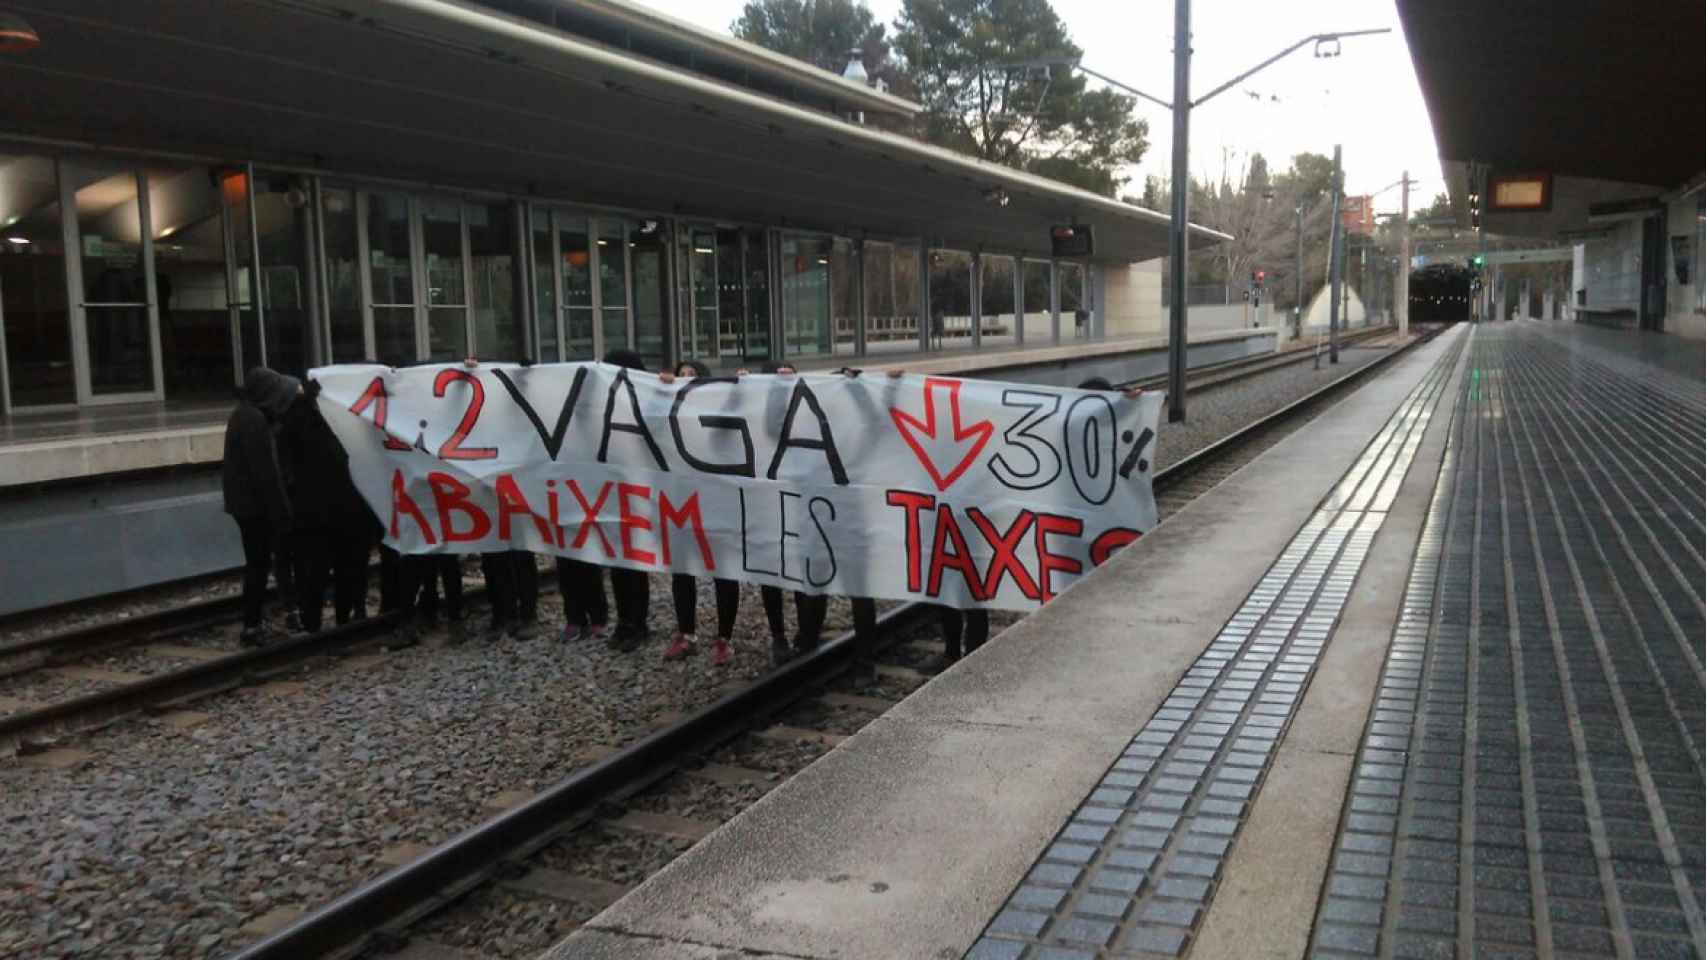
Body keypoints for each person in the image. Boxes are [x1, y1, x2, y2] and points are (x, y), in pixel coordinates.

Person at [656, 360, 740, 667]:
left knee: (724, 571)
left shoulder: (717, 414)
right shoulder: (666, 412)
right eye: (681, 375)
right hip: (681, 502)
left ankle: (724, 638)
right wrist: (658, 390)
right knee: (682, 570)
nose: (685, 380)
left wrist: (740, 387)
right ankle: (686, 633)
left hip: (716, 501)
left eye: (693, 376)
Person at [278, 379, 374, 636]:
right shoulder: (343, 421)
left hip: (311, 511)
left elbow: (287, 465)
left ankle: (313, 624)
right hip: (345, 508)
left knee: (313, 573)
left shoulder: (292, 419)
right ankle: (344, 617)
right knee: (347, 568)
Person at [222, 366, 299, 647]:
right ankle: (252, 625)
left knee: (257, 563)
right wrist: (282, 512)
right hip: (255, 507)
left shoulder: (241, 415)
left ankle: (254, 621)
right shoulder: (254, 421)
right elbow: (266, 473)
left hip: (242, 504)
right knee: (258, 564)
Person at [601, 348, 654, 653]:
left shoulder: (646, 400)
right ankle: (624, 621)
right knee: (618, 563)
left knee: (634, 561)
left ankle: (639, 622)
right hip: (612, 492)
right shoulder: (604, 401)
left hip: (637, 492)